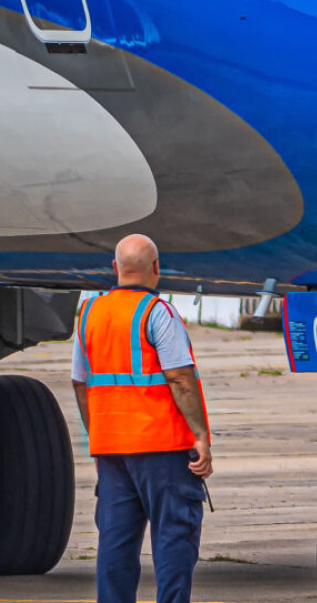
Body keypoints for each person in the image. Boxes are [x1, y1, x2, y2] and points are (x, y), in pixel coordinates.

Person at [71, 234, 213, 603]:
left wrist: (98, 434)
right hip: (162, 447)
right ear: (156, 269)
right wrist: (200, 436)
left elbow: (79, 382)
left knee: (115, 543)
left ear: (115, 269)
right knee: (173, 539)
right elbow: (180, 378)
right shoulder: (157, 313)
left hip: (112, 451)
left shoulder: (89, 313)